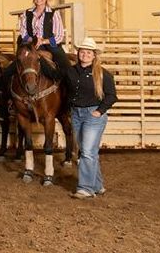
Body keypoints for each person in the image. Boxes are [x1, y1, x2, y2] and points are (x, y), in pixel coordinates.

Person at [48, 37, 117, 199]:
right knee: (89, 152)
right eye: (82, 52)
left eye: (88, 52)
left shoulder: (103, 74)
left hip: (93, 115)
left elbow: (112, 96)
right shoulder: (70, 71)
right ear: (78, 54)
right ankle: (97, 185)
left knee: (86, 152)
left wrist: (99, 111)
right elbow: (53, 74)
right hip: (76, 114)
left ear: (94, 55)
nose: (85, 54)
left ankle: (85, 188)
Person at [2, 0, 66, 86]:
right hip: (29, 43)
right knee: (11, 68)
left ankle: (68, 92)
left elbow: (59, 35)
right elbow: (23, 32)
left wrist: (43, 41)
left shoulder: (54, 13)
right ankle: (4, 92)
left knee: (65, 65)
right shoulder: (27, 13)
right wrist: (33, 40)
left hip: (49, 43)